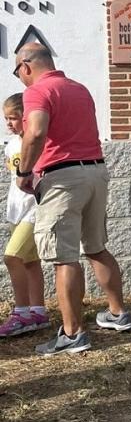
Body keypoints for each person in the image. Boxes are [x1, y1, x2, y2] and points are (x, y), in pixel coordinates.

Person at [13, 43, 131, 356]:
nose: (19, 77)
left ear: (26, 66)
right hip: (95, 171)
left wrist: (24, 171)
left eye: (17, 71)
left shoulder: (37, 91)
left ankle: (72, 333)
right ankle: (118, 314)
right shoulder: (78, 88)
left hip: (62, 178)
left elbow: (36, 132)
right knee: (96, 247)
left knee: (64, 257)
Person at [0, 93, 50, 338]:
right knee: (30, 262)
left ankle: (20, 312)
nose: (9, 123)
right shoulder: (11, 146)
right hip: (15, 209)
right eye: (6, 118)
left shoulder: (37, 143)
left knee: (12, 258)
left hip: (34, 208)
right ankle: (38, 312)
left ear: (26, 117)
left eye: (13, 118)